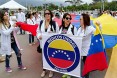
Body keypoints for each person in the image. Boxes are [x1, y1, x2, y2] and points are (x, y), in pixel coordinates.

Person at [76, 13, 101, 78]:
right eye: (79, 19)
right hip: (79, 50)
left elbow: (98, 32)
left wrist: (99, 25)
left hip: (86, 51)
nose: (79, 20)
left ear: (84, 20)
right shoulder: (79, 29)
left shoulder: (90, 28)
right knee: (82, 65)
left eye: (80, 19)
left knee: (86, 66)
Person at [36, 9, 59, 78]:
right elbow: (38, 31)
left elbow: (58, 34)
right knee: (44, 57)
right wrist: (38, 35)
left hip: (51, 45)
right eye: (45, 14)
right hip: (43, 43)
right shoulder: (41, 23)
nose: (47, 15)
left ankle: (51, 70)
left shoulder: (54, 24)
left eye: (48, 13)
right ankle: (44, 70)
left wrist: (52, 33)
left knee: (51, 57)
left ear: (51, 14)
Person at [59, 13, 77, 78]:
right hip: (62, 47)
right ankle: (65, 72)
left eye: (70, 18)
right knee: (64, 61)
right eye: (67, 18)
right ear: (63, 19)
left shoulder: (73, 28)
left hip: (70, 48)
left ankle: (70, 74)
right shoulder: (60, 27)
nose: (68, 19)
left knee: (70, 61)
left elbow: (76, 38)